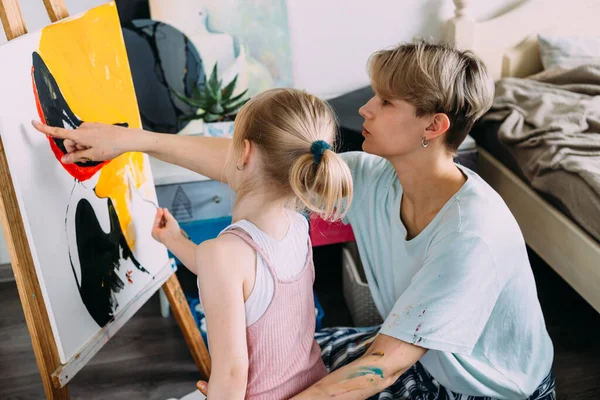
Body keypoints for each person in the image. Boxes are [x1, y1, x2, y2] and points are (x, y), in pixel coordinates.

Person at [33, 40, 555, 400]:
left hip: (480, 389)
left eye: (386, 100)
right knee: (281, 362)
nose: (366, 109)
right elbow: (251, 162)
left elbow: (384, 366)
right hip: (414, 354)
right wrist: (131, 141)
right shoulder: (377, 177)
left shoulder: (472, 236)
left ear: (433, 126)